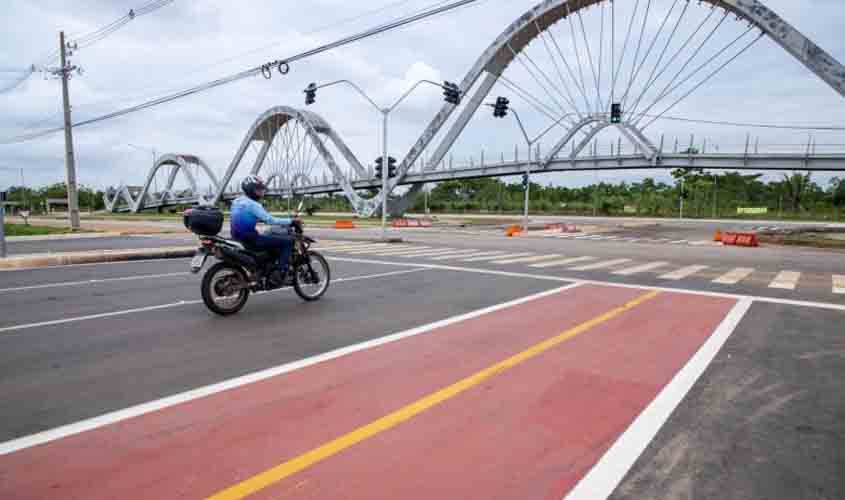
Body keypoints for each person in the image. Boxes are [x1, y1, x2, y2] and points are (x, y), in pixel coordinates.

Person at [230, 175, 300, 280]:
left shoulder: (236, 201)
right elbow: (271, 220)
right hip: (251, 239)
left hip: (236, 238)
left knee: (268, 237)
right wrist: (291, 221)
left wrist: (259, 219)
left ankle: (263, 268)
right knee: (288, 242)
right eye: (258, 189)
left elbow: (244, 216)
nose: (261, 192)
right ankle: (280, 272)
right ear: (251, 190)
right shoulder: (253, 205)